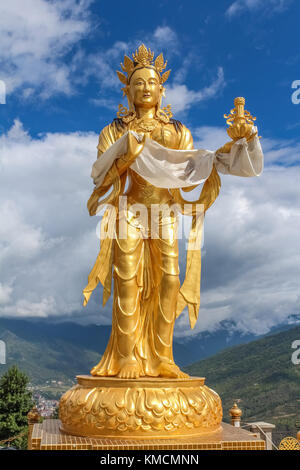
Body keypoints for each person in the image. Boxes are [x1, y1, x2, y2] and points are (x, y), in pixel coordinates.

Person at [83, 45, 263, 379]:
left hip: (164, 211)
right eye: (138, 83)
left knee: (169, 278)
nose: (145, 88)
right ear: (127, 90)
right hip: (130, 210)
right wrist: (125, 153)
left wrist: (239, 143)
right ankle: (126, 356)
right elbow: (101, 175)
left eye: (151, 81)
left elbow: (195, 165)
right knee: (127, 281)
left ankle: (162, 355)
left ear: (161, 88)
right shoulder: (115, 131)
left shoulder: (178, 132)